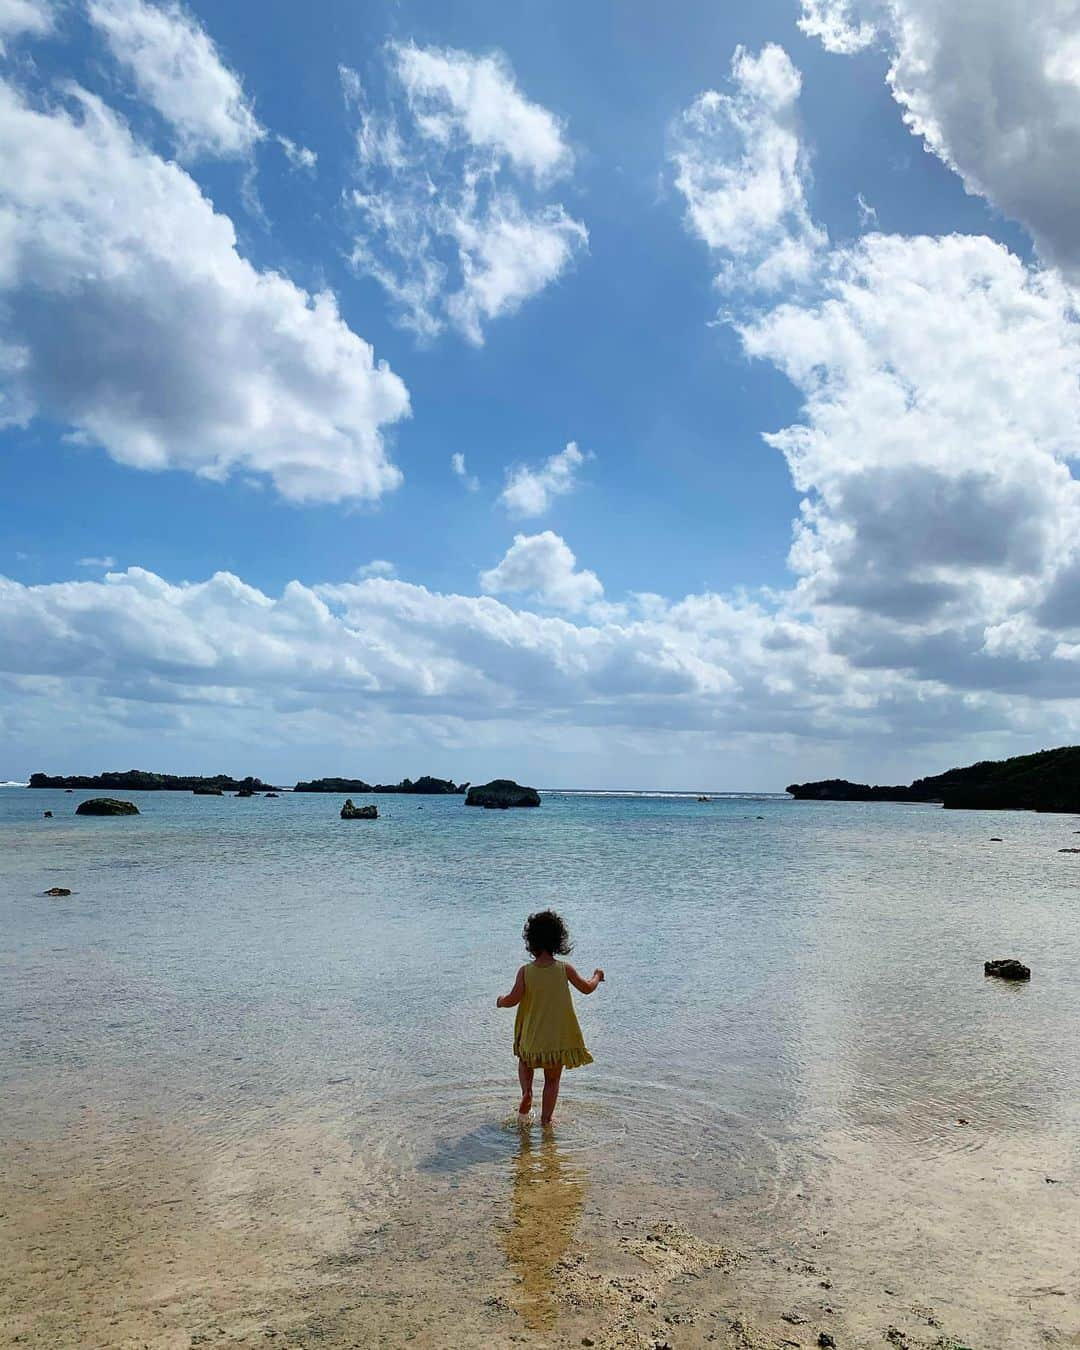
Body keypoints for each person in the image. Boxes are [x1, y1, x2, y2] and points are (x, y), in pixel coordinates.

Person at [496, 909, 604, 1126]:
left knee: (525, 1064)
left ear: (531, 941)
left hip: (532, 1038)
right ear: (558, 941)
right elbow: (587, 989)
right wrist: (597, 976)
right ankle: (546, 1119)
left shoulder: (525, 972)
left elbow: (513, 999)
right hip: (557, 1040)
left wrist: (500, 1000)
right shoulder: (565, 970)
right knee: (552, 1080)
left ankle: (527, 1092)